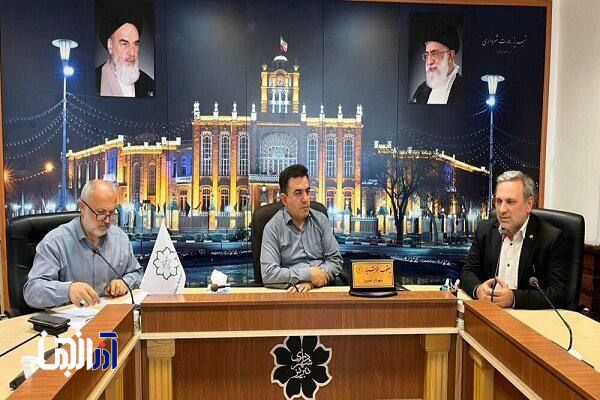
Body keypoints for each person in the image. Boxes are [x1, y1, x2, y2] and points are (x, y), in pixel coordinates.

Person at [23, 180, 143, 309]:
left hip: (110, 316)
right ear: (82, 207)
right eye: (101, 212)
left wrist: (125, 282)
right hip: (70, 318)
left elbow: (138, 273)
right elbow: (32, 291)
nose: (108, 220)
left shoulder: (120, 238)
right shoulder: (55, 241)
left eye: (112, 212)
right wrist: (67, 290)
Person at [460, 171, 568, 309]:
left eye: (510, 202)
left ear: (529, 204)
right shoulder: (485, 230)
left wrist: (514, 299)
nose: (502, 209)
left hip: (526, 316)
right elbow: (467, 272)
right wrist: (478, 290)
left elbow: (558, 294)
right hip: (488, 312)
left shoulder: (550, 237)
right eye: (498, 201)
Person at [261, 164, 343, 292]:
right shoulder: (273, 228)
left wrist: (313, 281)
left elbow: (335, 260)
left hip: (322, 291)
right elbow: (269, 274)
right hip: (291, 294)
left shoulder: (320, 220)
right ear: (284, 199)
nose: (306, 199)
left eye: (307, 192)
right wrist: (308, 274)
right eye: (298, 193)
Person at [95, 3, 154, 97]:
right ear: (110, 45)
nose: (132, 52)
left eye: (135, 44)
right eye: (124, 44)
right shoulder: (94, 80)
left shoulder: (149, 84)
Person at [410, 24, 462, 105]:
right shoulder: (421, 90)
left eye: (434, 53)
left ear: (450, 56)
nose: (429, 62)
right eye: (427, 54)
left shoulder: (464, 88)